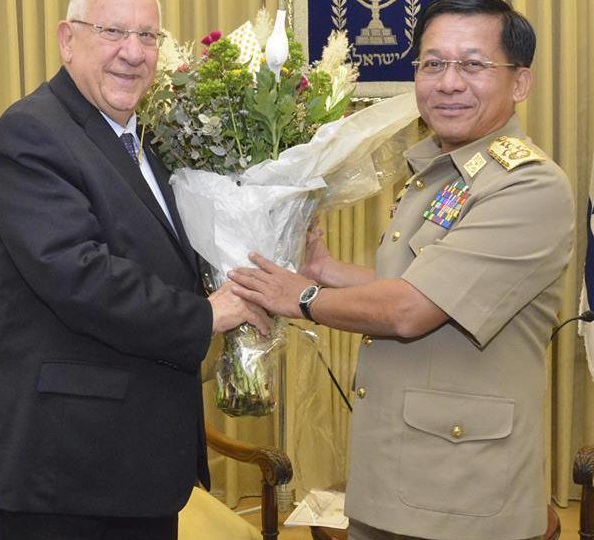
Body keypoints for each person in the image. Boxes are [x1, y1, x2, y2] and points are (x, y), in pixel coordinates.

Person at [229, 1, 574, 539]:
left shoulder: (526, 185)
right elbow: (422, 282)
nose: (448, 83)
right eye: (432, 64)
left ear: (520, 83)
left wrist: (301, 297)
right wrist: (327, 270)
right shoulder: (441, 172)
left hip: (461, 493)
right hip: (394, 471)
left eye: (473, 65)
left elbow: (412, 310)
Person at [0, 0, 270, 538]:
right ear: (67, 40)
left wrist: (252, 258)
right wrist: (208, 315)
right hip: (66, 468)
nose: (133, 54)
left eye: (148, 37)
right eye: (112, 32)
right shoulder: (31, 133)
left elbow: (166, 252)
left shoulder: (149, 138)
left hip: (135, 464)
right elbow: (80, 278)